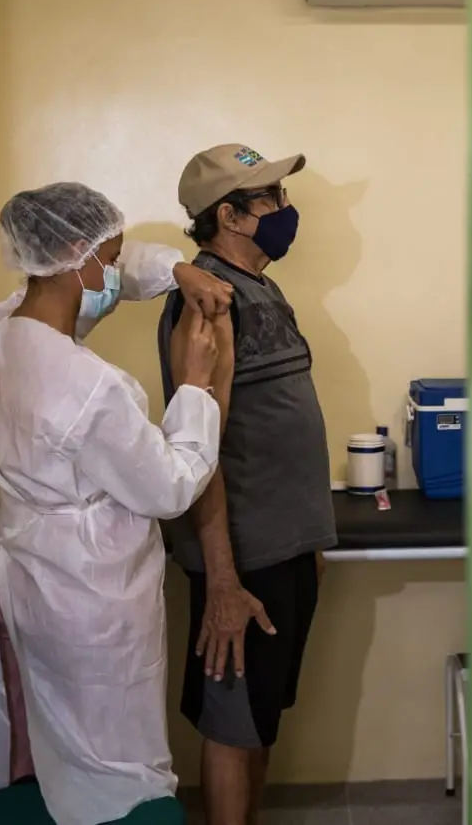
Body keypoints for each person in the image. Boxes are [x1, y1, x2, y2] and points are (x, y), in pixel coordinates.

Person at [0, 182, 237, 825]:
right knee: (112, 767)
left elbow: (103, 278)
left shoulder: (0, 336)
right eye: (108, 258)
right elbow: (169, 486)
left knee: (38, 733)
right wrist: (194, 385)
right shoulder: (86, 386)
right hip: (88, 594)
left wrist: (176, 269)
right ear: (76, 257)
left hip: (26, 566)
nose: (115, 272)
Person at [156, 146, 337, 824]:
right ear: (228, 215)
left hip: (284, 548)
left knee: (258, 719)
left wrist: (309, 539)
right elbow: (197, 451)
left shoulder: (257, 286)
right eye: (271, 201)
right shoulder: (206, 302)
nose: (287, 212)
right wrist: (223, 582)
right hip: (244, 558)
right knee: (233, 729)